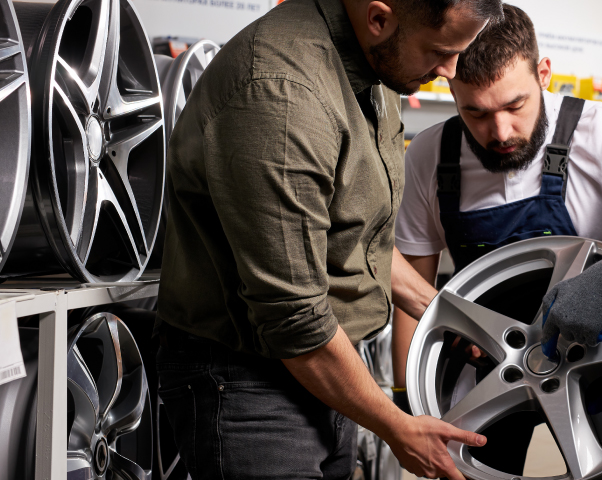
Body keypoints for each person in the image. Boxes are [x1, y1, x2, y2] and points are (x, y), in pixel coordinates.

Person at [155, 1, 503, 479]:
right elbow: (293, 318)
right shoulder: (280, 96)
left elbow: (359, 242)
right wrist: (397, 427)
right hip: (248, 383)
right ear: (379, 18)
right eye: (441, 52)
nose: (450, 71)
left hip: (330, 366)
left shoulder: (378, 63)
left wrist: (448, 315)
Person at [389, 4, 602, 474]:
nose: (499, 132)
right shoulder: (429, 156)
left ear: (543, 73)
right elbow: (412, 297)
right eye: (475, 113)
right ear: (450, 87)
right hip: (489, 362)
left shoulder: (601, 132)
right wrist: (407, 401)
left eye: (514, 106)